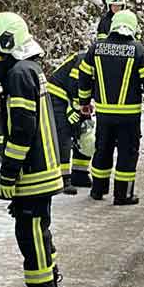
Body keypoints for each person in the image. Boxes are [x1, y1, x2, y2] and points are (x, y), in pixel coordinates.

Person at [0, 12, 66, 287]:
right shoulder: (30, 69)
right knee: (38, 232)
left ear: (7, 41)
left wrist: (8, 173)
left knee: (30, 235)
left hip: (33, 174)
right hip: (42, 170)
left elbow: (22, 131)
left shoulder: (18, 74)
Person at [77, 9, 144, 205]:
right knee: (127, 153)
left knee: (102, 149)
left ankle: (98, 190)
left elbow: (83, 75)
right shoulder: (139, 51)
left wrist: (84, 102)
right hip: (129, 116)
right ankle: (123, 195)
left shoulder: (96, 48)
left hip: (105, 114)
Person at [45, 49, 92, 193]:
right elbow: (74, 84)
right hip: (57, 94)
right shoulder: (85, 60)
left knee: (84, 132)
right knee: (64, 134)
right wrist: (72, 108)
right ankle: (62, 178)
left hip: (77, 100)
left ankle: (80, 173)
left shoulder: (102, 62)